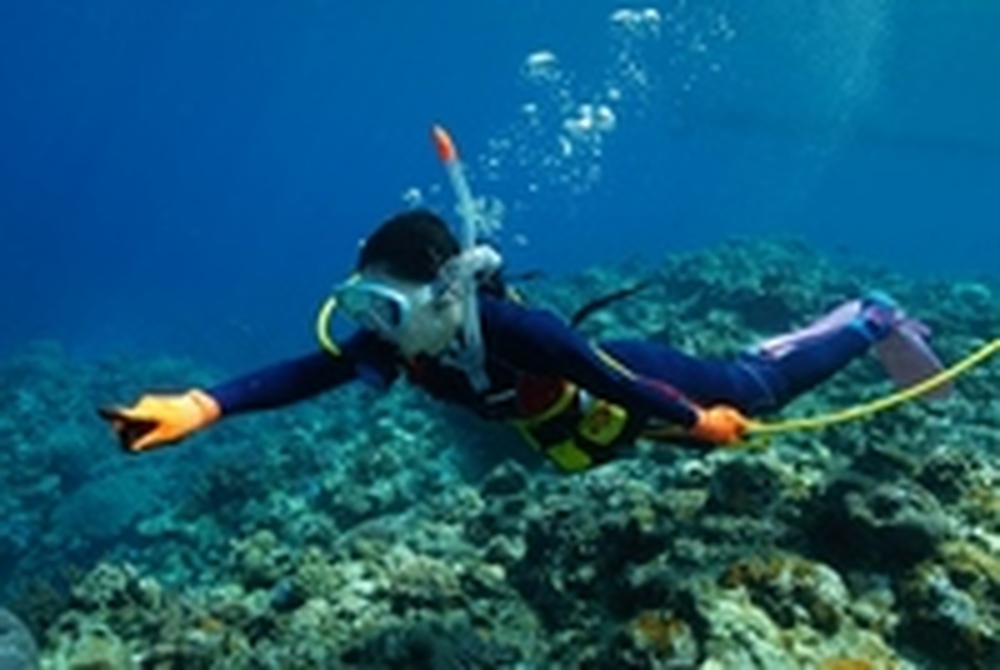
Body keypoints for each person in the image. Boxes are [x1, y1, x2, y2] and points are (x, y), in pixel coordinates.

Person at [98, 210, 945, 472]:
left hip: (628, 380)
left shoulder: (518, 330)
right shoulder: (402, 341)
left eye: (386, 306)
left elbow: (615, 385)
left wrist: (699, 422)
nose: (374, 327)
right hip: (569, 427)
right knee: (727, 398)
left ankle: (868, 318)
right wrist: (200, 407)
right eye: (364, 306)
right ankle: (821, 331)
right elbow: (308, 373)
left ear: (445, 291)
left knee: (754, 391)